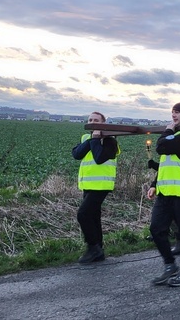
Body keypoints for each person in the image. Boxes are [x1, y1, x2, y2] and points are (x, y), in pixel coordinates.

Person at [148, 102, 180, 287]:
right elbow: (166, 165)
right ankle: (170, 265)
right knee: (156, 228)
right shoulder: (176, 136)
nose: (173, 115)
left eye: (177, 112)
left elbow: (161, 147)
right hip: (165, 193)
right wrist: (154, 184)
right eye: (172, 112)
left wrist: (167, 131)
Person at [72, 111, 119, 264]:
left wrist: (96, 139)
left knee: (83, 215)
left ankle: (93, 248)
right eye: (90, 120)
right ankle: (98, 250)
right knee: (93, 217)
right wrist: (92, 139)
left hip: (102, 185)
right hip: (88, 184)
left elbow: (99, 158)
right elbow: (76, 154)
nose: (92, 122)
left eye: (96, 120)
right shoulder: (87, 138)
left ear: (103, 123)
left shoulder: (111, 141)